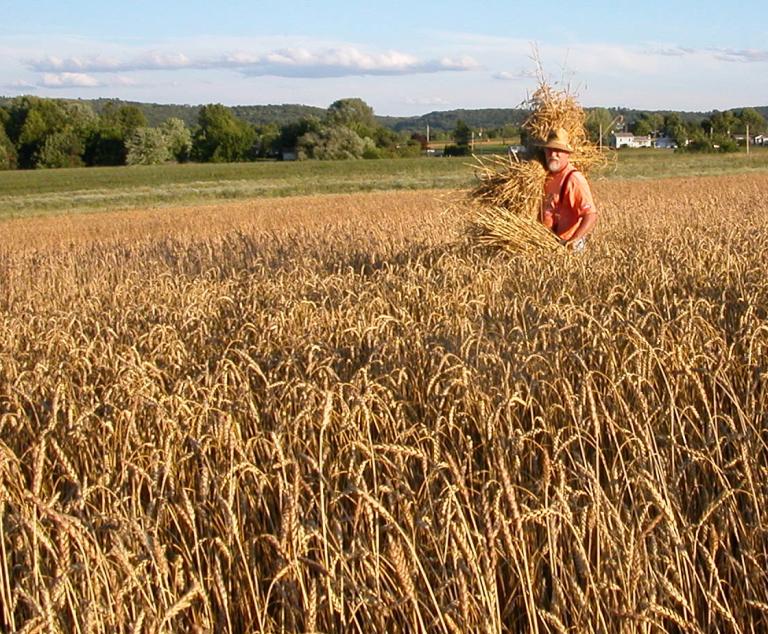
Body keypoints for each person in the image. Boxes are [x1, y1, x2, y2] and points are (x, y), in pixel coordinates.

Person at [538, 128, 597, 252]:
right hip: (546, 244)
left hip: (567, 246)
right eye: (549, 150)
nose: (552, 155)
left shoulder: (574, 179)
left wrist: (573, 241)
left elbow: (590, 215)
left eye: (558, 151)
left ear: (567, 153)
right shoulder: (543, 176)